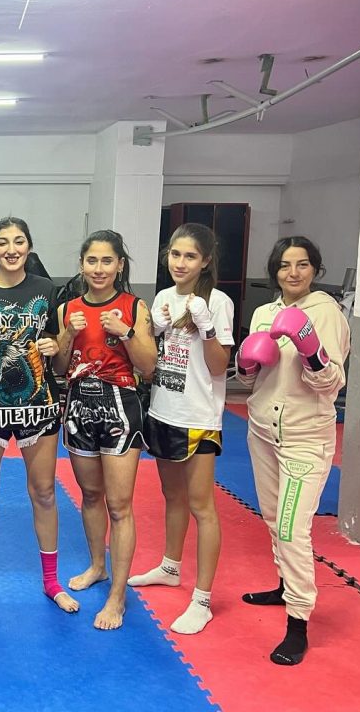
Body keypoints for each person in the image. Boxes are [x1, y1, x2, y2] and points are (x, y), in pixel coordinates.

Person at [0, 217, 77, 614]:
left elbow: (56, 344)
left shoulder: (46, 289)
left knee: (44, 491)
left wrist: (53, 345)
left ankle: (52, 581)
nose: (11, 249)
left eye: (19, 241)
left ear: (29, 246)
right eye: (3, 242)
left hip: (38, 402)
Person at [235, 236, 350, 665]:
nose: (293, 272)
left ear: (315, 269)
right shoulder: (264, 313)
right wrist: (247, 363)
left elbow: (331, 384)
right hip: (262, 430)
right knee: (272, 518)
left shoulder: (327, 313)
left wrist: (310, 350)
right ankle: (284, 586)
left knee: (290, 529)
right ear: (275, 271)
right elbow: (249, 381)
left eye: (302, 264)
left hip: (305, 436)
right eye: (285, 265)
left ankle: (298, 622)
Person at [127, 223, 234, 635]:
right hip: (164, 409)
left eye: (190, 256)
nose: (181, 262)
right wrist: (147, 329)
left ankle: (202, 600)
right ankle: (170, 567)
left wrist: (207, 326)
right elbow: (150, 359)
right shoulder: (163, 298)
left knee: (202, 506)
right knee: (172, 496)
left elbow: (219, 367)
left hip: (197, 417)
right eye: (175, 254)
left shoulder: (218, 302)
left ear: (205, 260)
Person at [54, 230, 156, 630]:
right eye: (92, 261)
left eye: (107, 261)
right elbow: (60, 367)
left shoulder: (134, 306)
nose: (99, 268)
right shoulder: (68, 309)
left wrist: (125, 332)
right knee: (91, 495)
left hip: (120, 408)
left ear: (120, 265)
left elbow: (149, 367)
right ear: (82, 265)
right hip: (79, 406)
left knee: (120, 504)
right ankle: (98, 565)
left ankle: (118, 596)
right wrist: (68, 333)